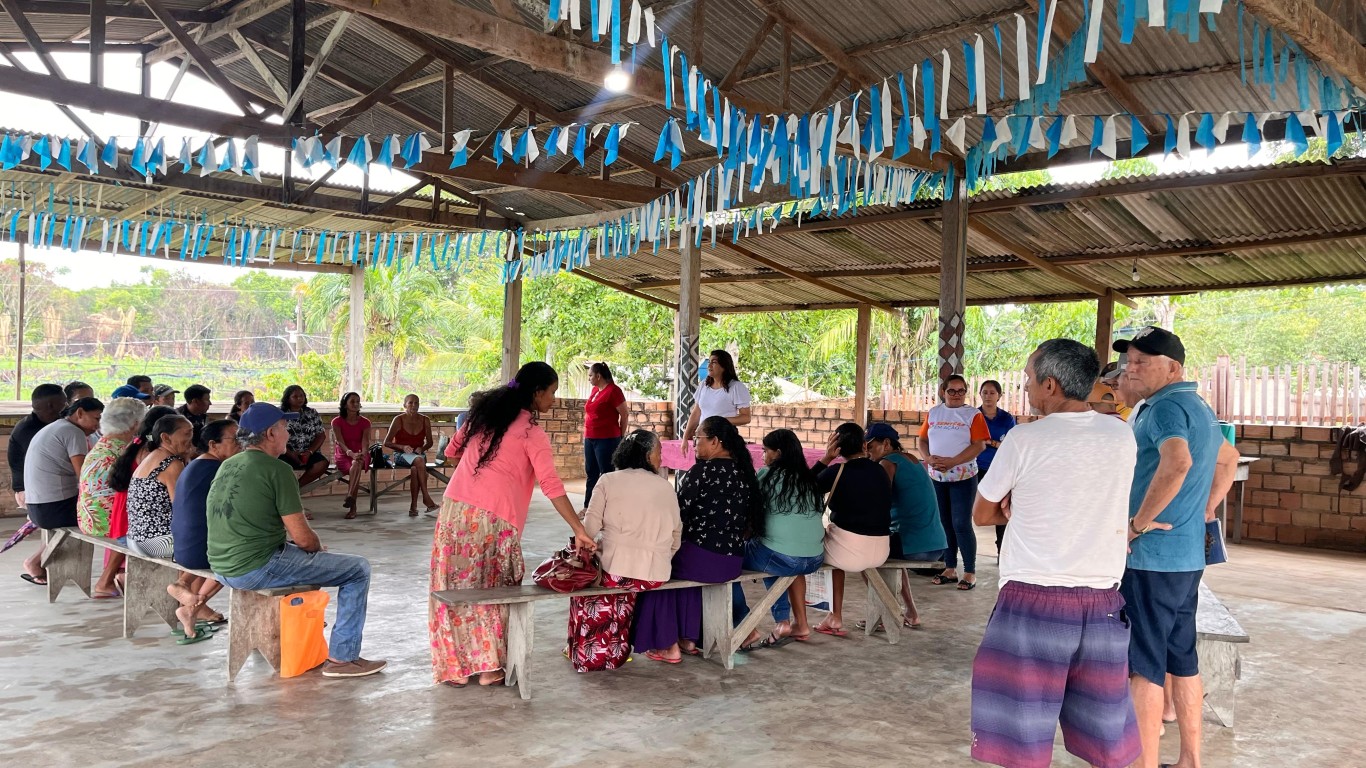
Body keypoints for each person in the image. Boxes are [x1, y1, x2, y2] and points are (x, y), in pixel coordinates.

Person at [969, 338, 1141, 768]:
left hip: (1032, 600)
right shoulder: (1121, 436)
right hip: (1102, 603)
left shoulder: (1022, 438)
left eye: (1028, 378)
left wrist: (1017, 505)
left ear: (1049, 385)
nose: (1025, 387)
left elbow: (983, 514)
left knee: (1019, 740)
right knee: (1107, 742)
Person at [1113, 326, 1240, 768]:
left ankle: (1144, 763)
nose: (1132, 368)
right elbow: (1228, 459)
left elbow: (1179, 461)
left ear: (1173, 368)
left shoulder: (1164, 407)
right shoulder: (1199, 407)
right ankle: (1190, 760)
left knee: (1143, 665)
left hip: (1152, 559)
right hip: (1186, 557)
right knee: (1181, 656)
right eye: (1129, 361)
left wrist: (1136, 524)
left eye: (1142, 361)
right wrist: (1204, 510)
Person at [431, 362, 594, 687]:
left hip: (455, 510)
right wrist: (579, 528)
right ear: (536, 393)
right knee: (493, 586)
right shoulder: (531, 433)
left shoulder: (483, 417)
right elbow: (551, 485)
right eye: (551, 393)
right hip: (495, 519)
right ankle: (489, 667)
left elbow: (451, 451)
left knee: (454, 585)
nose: (552, 401)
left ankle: (456, 667)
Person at [208, 402, 386, 677]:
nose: (289, 435)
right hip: (254, 567)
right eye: (284, 429)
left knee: (311, 557)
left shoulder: (228, 465)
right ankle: (343, 659)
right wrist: (313, 550)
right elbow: (304, 539)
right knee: (357, 569)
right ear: (270, 434)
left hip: (220, 566)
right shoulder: (277, 470)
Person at [634, 416, 761, 663]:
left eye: (697, 438)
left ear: (715, 442)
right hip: (732, 561)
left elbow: (678, 516)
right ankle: (689, 638)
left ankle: (666, 644)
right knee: (684, 566)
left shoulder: (701, 472)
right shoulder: (745, 473)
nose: (693, 444)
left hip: (703, 560)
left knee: (658, 572)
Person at [567, 429, 681, 672]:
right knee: (624, 597)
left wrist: (593, 531)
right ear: (648, 455)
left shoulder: (608, 480)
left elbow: (588, 532)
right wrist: (657, 558)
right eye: (659, 452)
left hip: (615, 570)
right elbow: (675, 537)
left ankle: (588, 653)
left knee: (589, 585)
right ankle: (616, 652)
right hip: (654, 575)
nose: (661, 458)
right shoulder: (665, 487)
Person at [732, 428, 825, 650]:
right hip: (814, 558)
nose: (763, 456)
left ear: (778, 453)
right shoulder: (809, 479)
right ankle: (794, 623)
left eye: (766, 451)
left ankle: (746, 627)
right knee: (775, 556)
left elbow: (750, 510)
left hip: (782, 556)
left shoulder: (767, 475)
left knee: (726, 562)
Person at [809, 422, 892, 637]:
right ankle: (834, 616)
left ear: (836, 447)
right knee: (837, 542)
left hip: (847, 553)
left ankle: (835, 615)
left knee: (819, 544)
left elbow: (804, 488)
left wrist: (826, 459)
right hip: (882, 550)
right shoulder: (881, 470)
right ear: (864, 445)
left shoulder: (837, 471)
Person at [866, 422, 943, 630]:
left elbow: (880, 503)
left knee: (863, 556)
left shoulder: (887, 463)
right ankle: (910, 612)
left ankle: (885, 612)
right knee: (891, 556)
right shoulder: (912, 460)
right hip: (935, 545)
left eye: (871, 446)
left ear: (886, 444)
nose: (868, 452)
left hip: (916, 546)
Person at [918, 374, 989, 590]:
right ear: (943, 391)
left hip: (963, 477)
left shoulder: (972, 414)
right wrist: (928, 458)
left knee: (961, 523)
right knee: (944, 523)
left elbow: (979, 445)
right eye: (952, 391)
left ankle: (969, 571)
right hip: (937, 477)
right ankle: (949, 567)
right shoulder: (934, 412)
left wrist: (953, 462)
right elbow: (922, 440)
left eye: (961, 391)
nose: (956, 395)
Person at [21, 397, 103, 581]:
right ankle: (111, 576)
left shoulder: (58, 427)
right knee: (104, 516)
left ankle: (35, 561)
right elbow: (84, 476)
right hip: (52, 508)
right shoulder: (73, 432)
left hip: (38, 507)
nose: (97, 426)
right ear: (80, 413)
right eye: (96, 419)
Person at [172, 420, 240, 632]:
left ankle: (184, 585)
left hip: (182, 547)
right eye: (235, 439)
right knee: (240, 560)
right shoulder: (217, 469)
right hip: (197, 550)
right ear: (213, 444)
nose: (241, 444)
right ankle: (194, 606)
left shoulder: (196, 464)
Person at [77, 397, 147, 597]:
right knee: (147, 522)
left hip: (87, 517)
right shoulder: (125, 451)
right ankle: (109, 579)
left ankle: (116, 575)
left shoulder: (103, 443)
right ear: (134, 424)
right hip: (102, 522)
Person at [10, 384, 68, 585]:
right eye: (64, 402)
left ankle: (41, 562)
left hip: (42, 487)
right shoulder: (29, 429)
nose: (67, 405)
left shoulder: (50, 424)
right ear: (52, 405)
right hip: (30, 490)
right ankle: (35, 562)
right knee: (66, 524)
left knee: (60, 524)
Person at [680, 350, 751, 456]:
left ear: (724, 366)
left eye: (714, 362)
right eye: (709, 362)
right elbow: (696, 413)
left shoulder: (736, 387)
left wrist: (719, 421)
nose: (709, 366)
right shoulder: (704, 385)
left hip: (724, 437)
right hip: (703, 436)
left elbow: (746, 417)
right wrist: (685, 438)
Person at [382, 393, 440, 516]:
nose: (414, 405)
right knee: (419, 461)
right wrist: (402, 447)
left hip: (418, 455)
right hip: (401, 455)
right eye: (410, 403)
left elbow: (430, 442)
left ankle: (413, 507)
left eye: (416, 403)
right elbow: (386, 442)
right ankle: (426, 497)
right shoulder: (398, 420)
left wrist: (422, 448)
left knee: (416, 469)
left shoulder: (425, 420)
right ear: (404, 405)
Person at [977, 380, 1016, 554]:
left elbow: (1009, 445)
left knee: (1001, 512)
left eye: (992, 393)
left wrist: (989, 442)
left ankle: (1002, 552)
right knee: (969, 513)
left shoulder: (1006, 419)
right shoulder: (974, 416)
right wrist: (994, 443)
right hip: (974, 469)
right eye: (985, 392)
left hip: (999, 470)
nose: (988, 396)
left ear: (999, 396)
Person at [582, 362, 628, 509]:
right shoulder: (595, 390)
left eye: (590, 375)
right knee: (591, 473)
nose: (588, 378)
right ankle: (589, 506)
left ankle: (608, 508)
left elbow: (624, 414)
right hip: (590, 437)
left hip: (607, 438)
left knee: (606, 474)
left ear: (598, 376)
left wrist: (621, 437)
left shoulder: (614, 391)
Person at [279, 385, 329, 487]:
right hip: (285, 452)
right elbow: (275, 437)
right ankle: (281, 490)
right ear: (287, 398)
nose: (300, 398)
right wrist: (290, 453)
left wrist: (309, 452)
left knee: (322, 464)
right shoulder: (280, 414)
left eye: (302, 396)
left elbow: (321, 435)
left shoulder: (311, 413)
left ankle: (297, 487)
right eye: (295, 396)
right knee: (278, 467)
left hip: (308, 453)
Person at [331, 392, 371, 519]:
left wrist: (362, 454)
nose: (356, 404)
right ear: (345, 404)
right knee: (355, 465)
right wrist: (350, 453)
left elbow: (365, 442)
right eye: (352, 401)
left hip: (360, 453)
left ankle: (350, 499)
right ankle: (352, 503)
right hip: (344, 454)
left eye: (358, 401)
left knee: (357, 464)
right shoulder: (336, 421)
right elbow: (339, 441)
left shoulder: (365, 422)